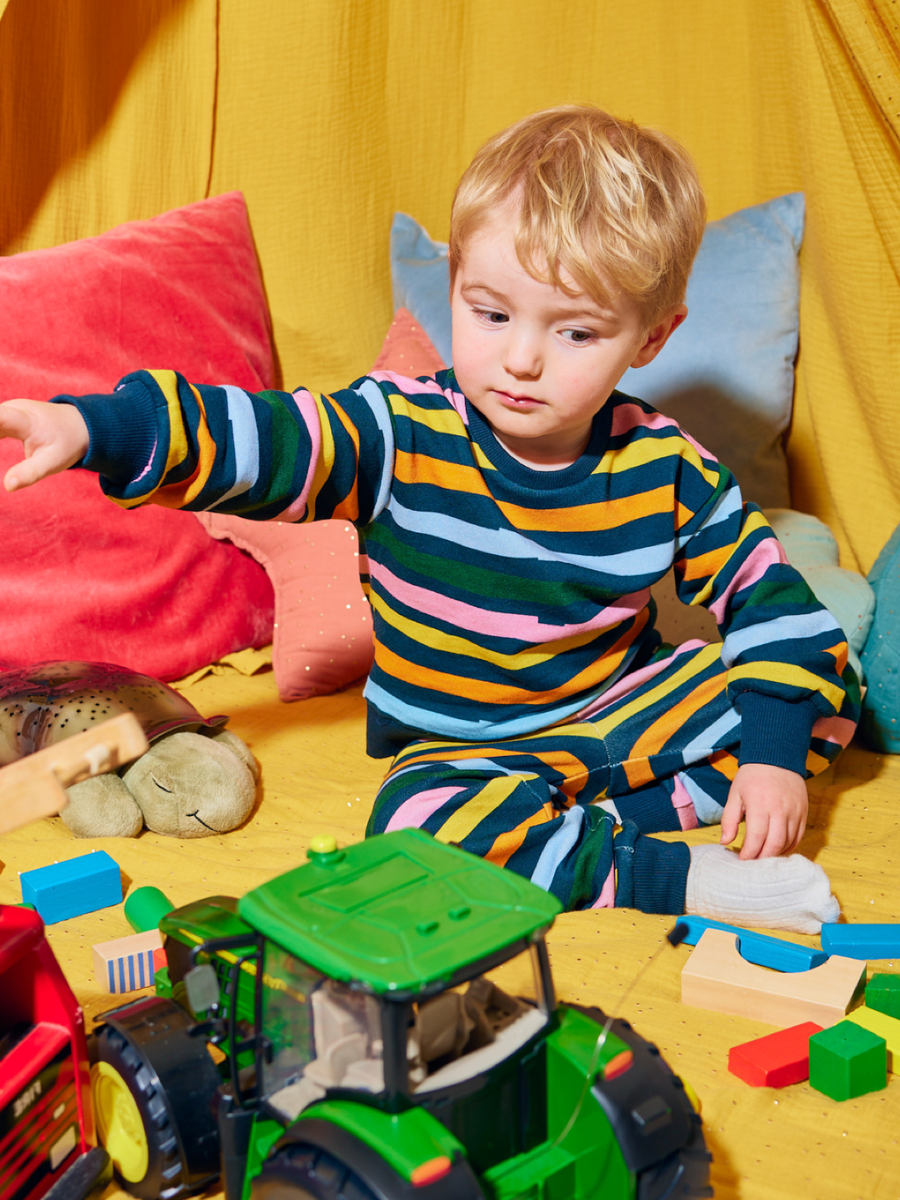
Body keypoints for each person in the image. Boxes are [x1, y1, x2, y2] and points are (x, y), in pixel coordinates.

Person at [0, 105, 858, 932]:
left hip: (623, 707)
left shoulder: (665, 464)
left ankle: (577, 819)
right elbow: (260, 438)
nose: (520, 359)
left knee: (824, 692)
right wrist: (97, 430)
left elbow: (768, 596)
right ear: (455, 285)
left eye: (576, 334)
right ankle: (667, 872)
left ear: (651, 340)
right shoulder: (399, 430)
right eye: (491, 314)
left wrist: (775, 760)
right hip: (466, 747)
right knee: (419, 830)